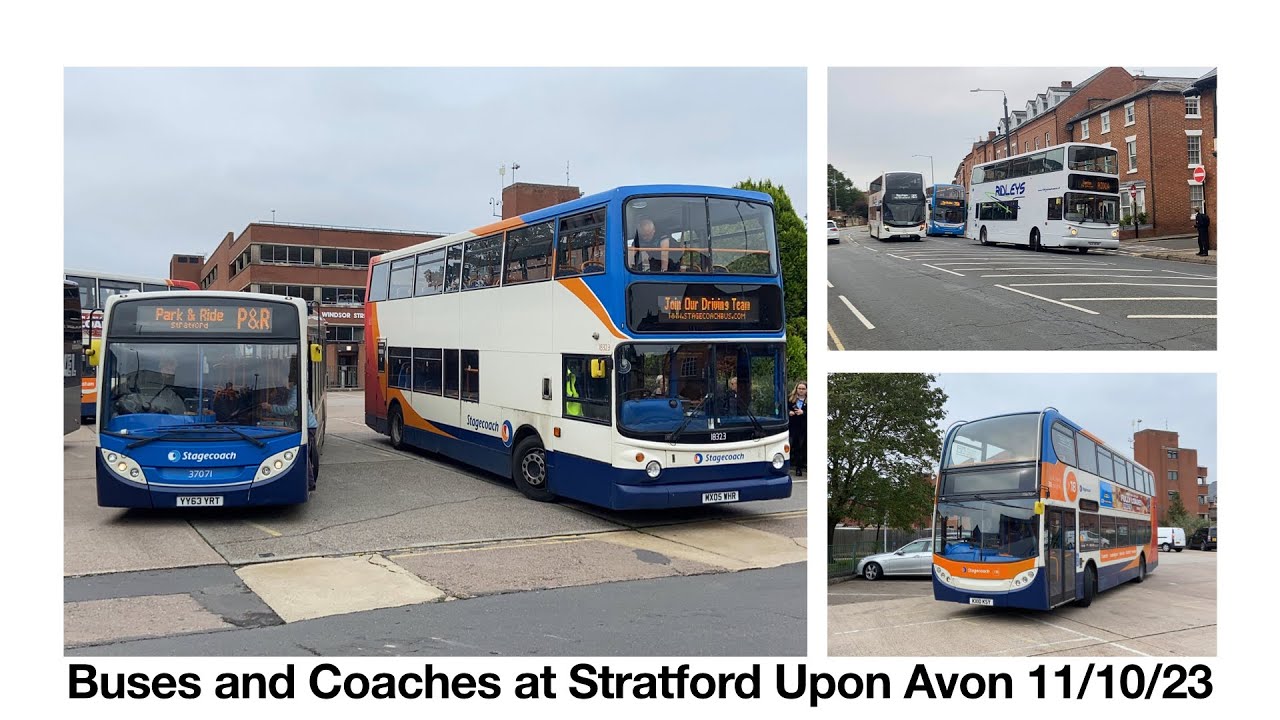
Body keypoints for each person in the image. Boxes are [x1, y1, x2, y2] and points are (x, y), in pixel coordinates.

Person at [260, 371, 320, 490]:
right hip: (308, 425)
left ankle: (310, 484)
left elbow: (290, 408)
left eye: (282, 378)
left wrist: (270, 407)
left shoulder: (296, 391)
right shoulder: (292, 391)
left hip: (307, 426)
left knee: (304, 456)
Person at [787, 381, 807, 476]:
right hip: (792, 426)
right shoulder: (791, 399)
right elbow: (784, 409)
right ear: (796, 389)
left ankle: (799, 468)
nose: (801, 390)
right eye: (800, 388)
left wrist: (803, 412)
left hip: (803, 428)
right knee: (790, 446)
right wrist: (789, 412)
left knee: (800, 448)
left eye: (803, 389)